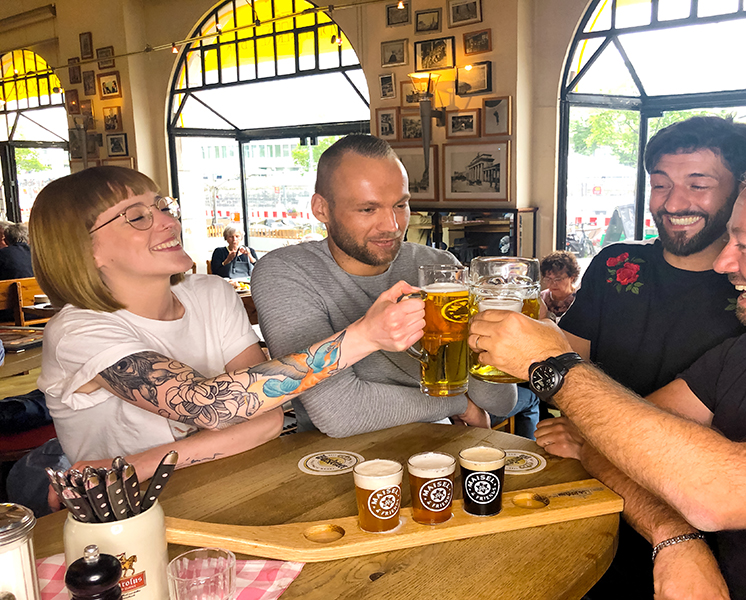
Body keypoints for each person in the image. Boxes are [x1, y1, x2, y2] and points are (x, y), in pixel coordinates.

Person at [470, 146, 746, 599]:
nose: (723, 262)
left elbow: (720, 494)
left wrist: (555, 366)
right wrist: (674, 535)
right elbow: (609, 441)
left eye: (745, 246)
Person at [8, 165, 425, 516]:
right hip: (131, 516)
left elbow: (268, 417)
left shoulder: (210, 293)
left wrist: (139, 465)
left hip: (228, 491)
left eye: (162, 206)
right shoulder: (78, 330)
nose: (169, 221)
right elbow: (209, 404)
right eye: (137, 217)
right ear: (86, 249)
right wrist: (365, 336)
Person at [536, 116, 746, 596]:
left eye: (698, 185)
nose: (675, 202)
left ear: (742, 191)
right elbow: (562, 366)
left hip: (700, 511)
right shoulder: (617, 263)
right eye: (660, 185)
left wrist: (587, 429)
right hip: (590, 484)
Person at [252, 134, 516, 438]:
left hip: (440, 447)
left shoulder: (440, 269)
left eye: (400, 205)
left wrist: (492, 326)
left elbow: (500, 402)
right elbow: (340, 414)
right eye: (368, 209)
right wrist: (457, 405)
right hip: (338, 458)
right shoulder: (286, 271)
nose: (392, 225)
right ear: (321, 209)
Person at [537, 250, 580, 321]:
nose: (553, 283)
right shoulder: (541, 298)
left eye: (558, 279)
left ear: (572, 277)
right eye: (548, 279)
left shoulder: (579, 299)